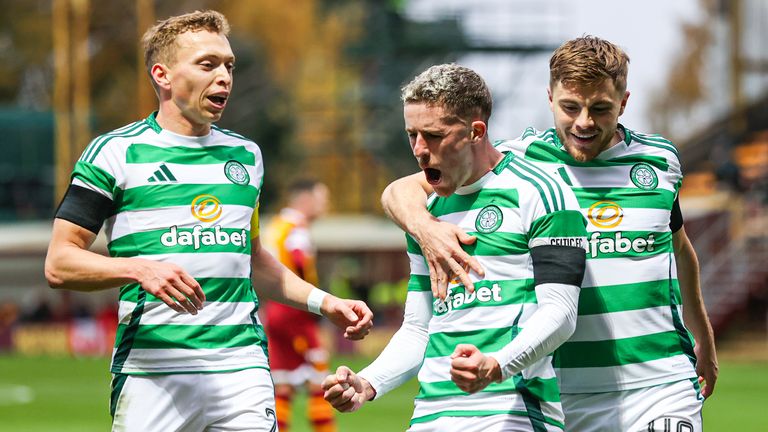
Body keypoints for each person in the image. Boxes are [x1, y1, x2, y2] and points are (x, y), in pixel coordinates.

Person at [44, 10, 372, 432]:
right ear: (162, 75)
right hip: (152, 370)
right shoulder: (113, 153)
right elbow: (59, 262)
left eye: (229, 65)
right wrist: (138, 268)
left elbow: (251, 260)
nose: (224, 77)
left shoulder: (246, 157)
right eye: (208, 64)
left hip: (241, 366)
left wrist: (326, 303)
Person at [380, 36, 718, 431]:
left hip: (661, 382)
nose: (584, 123)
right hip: (565, 394)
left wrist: (704, 339)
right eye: (570, 107)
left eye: (601, 109)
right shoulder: (520, 159)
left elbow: (679, 249)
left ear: (624, 102)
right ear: (550, 99)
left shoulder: (660, 161)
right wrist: (425, 228)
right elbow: (399, 191)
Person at [322, 63, 588, 432]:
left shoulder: (540, 193)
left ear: (475, 131)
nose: (418, 149)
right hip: (432, 415)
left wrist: (496, 365)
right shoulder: (427, 216)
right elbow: (419, 328)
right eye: (411, 134)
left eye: (432, 135)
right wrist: (368, 383)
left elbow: (560, 314)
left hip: (512, 411)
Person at [262, 179, 337, 432]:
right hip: (295, 311)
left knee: (282, 383)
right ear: (306, 200)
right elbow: (299, 260)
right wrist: (315, 302)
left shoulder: (275, 225)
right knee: (321, 378)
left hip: (273, 310)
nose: (326, 205)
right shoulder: (297, 228)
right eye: (322, 199)